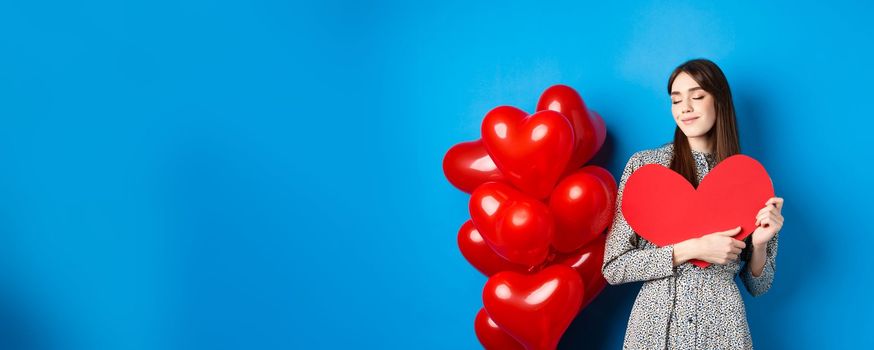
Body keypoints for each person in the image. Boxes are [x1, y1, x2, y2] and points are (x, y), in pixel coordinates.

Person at [601, 58, 784, 349]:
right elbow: (614, 267)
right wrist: (692, 249)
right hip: (654, 330)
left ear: (719, 101)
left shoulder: (750, 179)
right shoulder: (645, 167)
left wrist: (760, 244)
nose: (685, 108)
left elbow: (759, 286)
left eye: (697, 97)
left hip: (723, 333)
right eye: (676, 100)